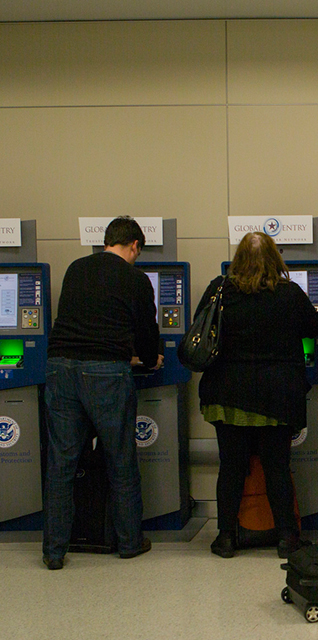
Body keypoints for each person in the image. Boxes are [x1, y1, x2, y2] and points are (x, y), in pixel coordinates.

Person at [43, 216, 163, 570]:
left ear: (105, 241)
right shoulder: (136, 279)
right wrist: (147, 357)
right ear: (134, 246)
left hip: (61, 366)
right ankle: (129, 542)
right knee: (120, 458)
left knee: (61, 463)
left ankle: (53, 552)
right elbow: (146, 331)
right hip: (106, 373)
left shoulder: (76, 268)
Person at [197, 232, 318, 559]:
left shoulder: (220, 289)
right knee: (277, 466)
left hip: (228, 395)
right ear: (275, 259)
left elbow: (201, 326)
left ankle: (226, 537)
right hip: (275, 396)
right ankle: (286, 538)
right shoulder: (289, 294)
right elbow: (316, 326)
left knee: (231, 467)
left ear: (238, 258)